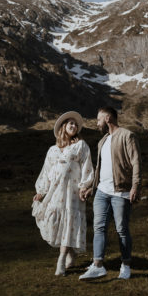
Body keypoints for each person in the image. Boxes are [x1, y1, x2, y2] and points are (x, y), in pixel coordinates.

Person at [79, 107, 141, 280]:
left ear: (107, 118)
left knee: (122, 229)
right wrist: (92, 187)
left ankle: (126, 264)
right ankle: (98, 265)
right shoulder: (102, 141)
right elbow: (99, 168)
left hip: (121, 192)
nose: (97, 123)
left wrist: (135, 186)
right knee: (99, 227)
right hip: (102, 192)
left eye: (98, 120)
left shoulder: (127, 136)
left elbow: (136, 162)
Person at [32, 111, 95, 276]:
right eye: (70, 124)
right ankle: (71, 252)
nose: (73, 126)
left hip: (73, 192)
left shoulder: (81, 146)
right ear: (63, 127)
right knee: (56, 220)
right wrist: (41, 192)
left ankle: (61, 259)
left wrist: (84, 187)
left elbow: (87, 167)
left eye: (75, 124)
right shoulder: (52, 150)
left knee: (69, 221)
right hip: (56, 191)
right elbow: (46, 172)